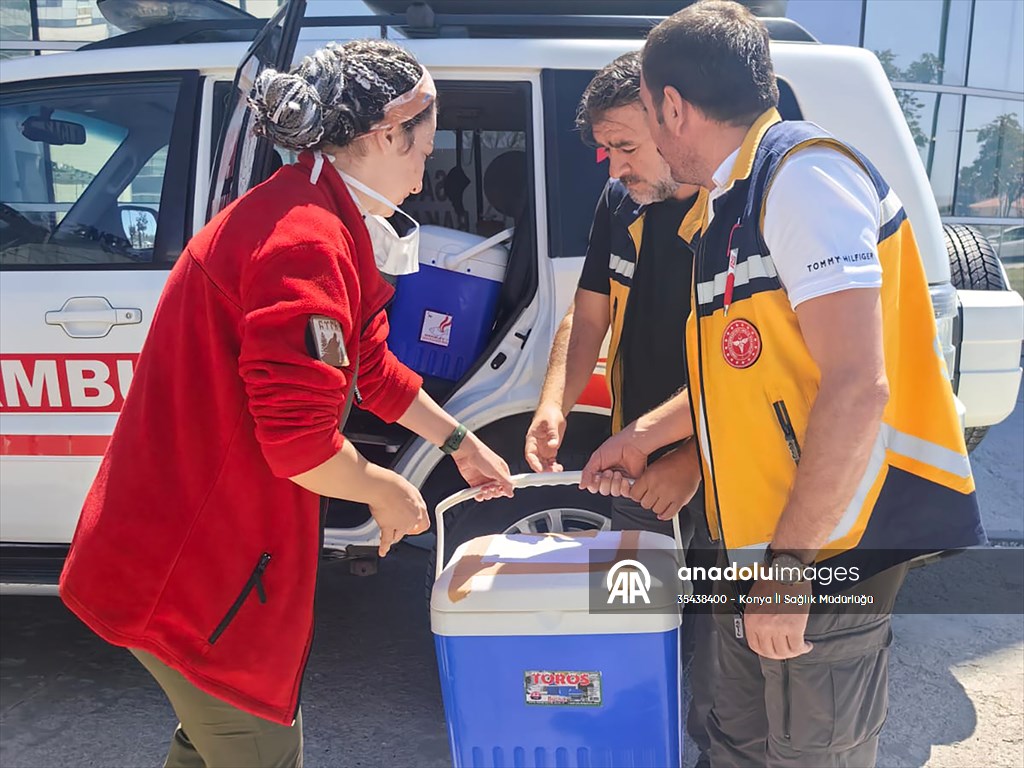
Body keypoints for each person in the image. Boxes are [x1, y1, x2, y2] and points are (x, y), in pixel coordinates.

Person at [59, 40, 514, 768]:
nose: (427, 172)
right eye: (421, 150)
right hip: (190, 562)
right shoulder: (304, 241)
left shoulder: (313, 213)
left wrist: (458, 440)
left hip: (198, 549)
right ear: (381, 136)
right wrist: (388, 493)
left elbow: (368, 363)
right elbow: (299, 444)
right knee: (263, 747)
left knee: (217, 746)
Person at [579, 2, 984, 766]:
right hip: (755, 549)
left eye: (647, 128)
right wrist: (645, 435)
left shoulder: (803, 178)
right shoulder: (726, 208)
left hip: (827, 549)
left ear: (672, 106)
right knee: (733, 738)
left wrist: (792, 569)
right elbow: (744, 375)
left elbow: (859, 387)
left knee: (810, 752)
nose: (647, 153)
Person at [524, 51, 714, 766]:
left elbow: (772, 369)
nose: (615, 168)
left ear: (672, 119)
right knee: (635, 620)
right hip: (635, 463)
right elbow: (588, 313)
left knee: (726, 653)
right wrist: (554, 406)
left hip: (721, 462)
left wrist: (694, 459)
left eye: (627, 147)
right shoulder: (621, 203)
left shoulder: (735, 210)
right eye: (609, 152)